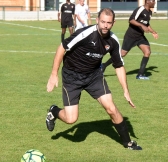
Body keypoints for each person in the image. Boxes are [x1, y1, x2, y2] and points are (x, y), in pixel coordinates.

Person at [46, 8, 142, 150]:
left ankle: (127, 142)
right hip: (72, 76)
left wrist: (125, 90)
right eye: (102, 21)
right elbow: (62, 47)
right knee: (71, 119)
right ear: (97, 20)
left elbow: (119, 65)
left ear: (113, 23)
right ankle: (54, 111)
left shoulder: (113, 41)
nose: (105, 25)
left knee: (111, 108)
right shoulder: (85, 34)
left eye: (108, 23)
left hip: (93, 76)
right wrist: (53, 74)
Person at [101, 0, 159, 80]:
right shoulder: (140, 10)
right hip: (131, 36)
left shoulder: (150, 12)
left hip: (140, 36)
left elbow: (146, 24)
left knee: (147, 52)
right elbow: (131, 20)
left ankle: (140, 74)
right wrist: (141, 26)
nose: (155, 3)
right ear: (148, 1)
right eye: (153, 1)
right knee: (122, 54)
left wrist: (153, 31)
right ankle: (104, 65)